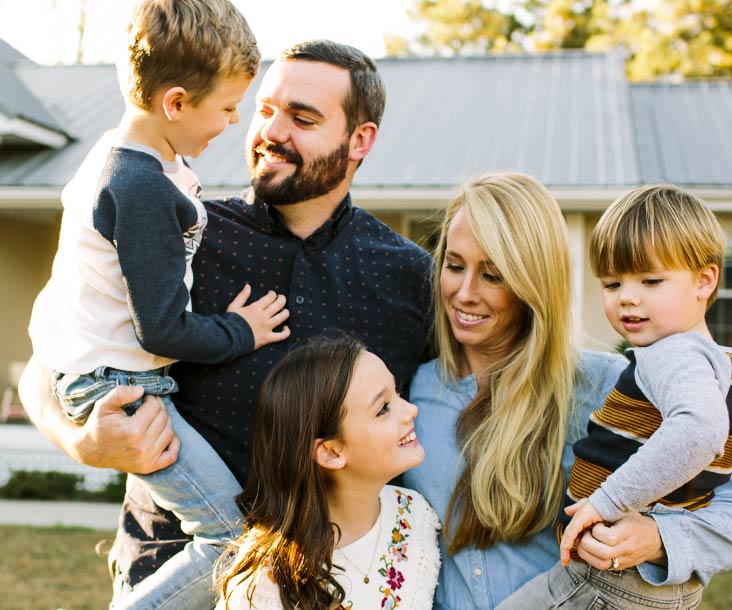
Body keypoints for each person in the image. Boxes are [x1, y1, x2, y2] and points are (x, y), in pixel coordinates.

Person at [19, 38, 433, 606]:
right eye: (264, 109)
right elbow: (48, 363)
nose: (272, 131)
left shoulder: (408, 275)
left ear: (360, 140)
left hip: (335, 588)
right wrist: (83, 442)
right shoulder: (181, 232)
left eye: (302, 118)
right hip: (171, 571)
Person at [402, 171, 732, 610]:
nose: (464, 292)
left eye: (493, 275)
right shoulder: (412, 390)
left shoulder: (609, 386)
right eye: (454, 265)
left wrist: (653, 539)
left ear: (532, 282)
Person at [27, 1, 285, 608]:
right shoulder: (139, 186)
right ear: (175, 104)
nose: (235, 122)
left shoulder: (143, 161)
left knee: (229, 539)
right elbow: (162, 329)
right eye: (226, 108)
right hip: (122, 387)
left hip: (110, 374)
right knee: (230, 541)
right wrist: (240, 331)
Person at [495, 183, 732, 610]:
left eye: (650, 280)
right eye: (612, 284)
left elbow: (701, 431)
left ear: (704, 280)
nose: (628, 296)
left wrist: (606, 501)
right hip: (652, 580)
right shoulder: (714, 361)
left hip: (610, 580)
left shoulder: (673, 353)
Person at [215, 335, 440, 610]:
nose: (412, 410)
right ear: (331, 452)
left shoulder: (416, 515)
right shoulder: (261, 587)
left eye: (398, 393)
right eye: (383, 409)